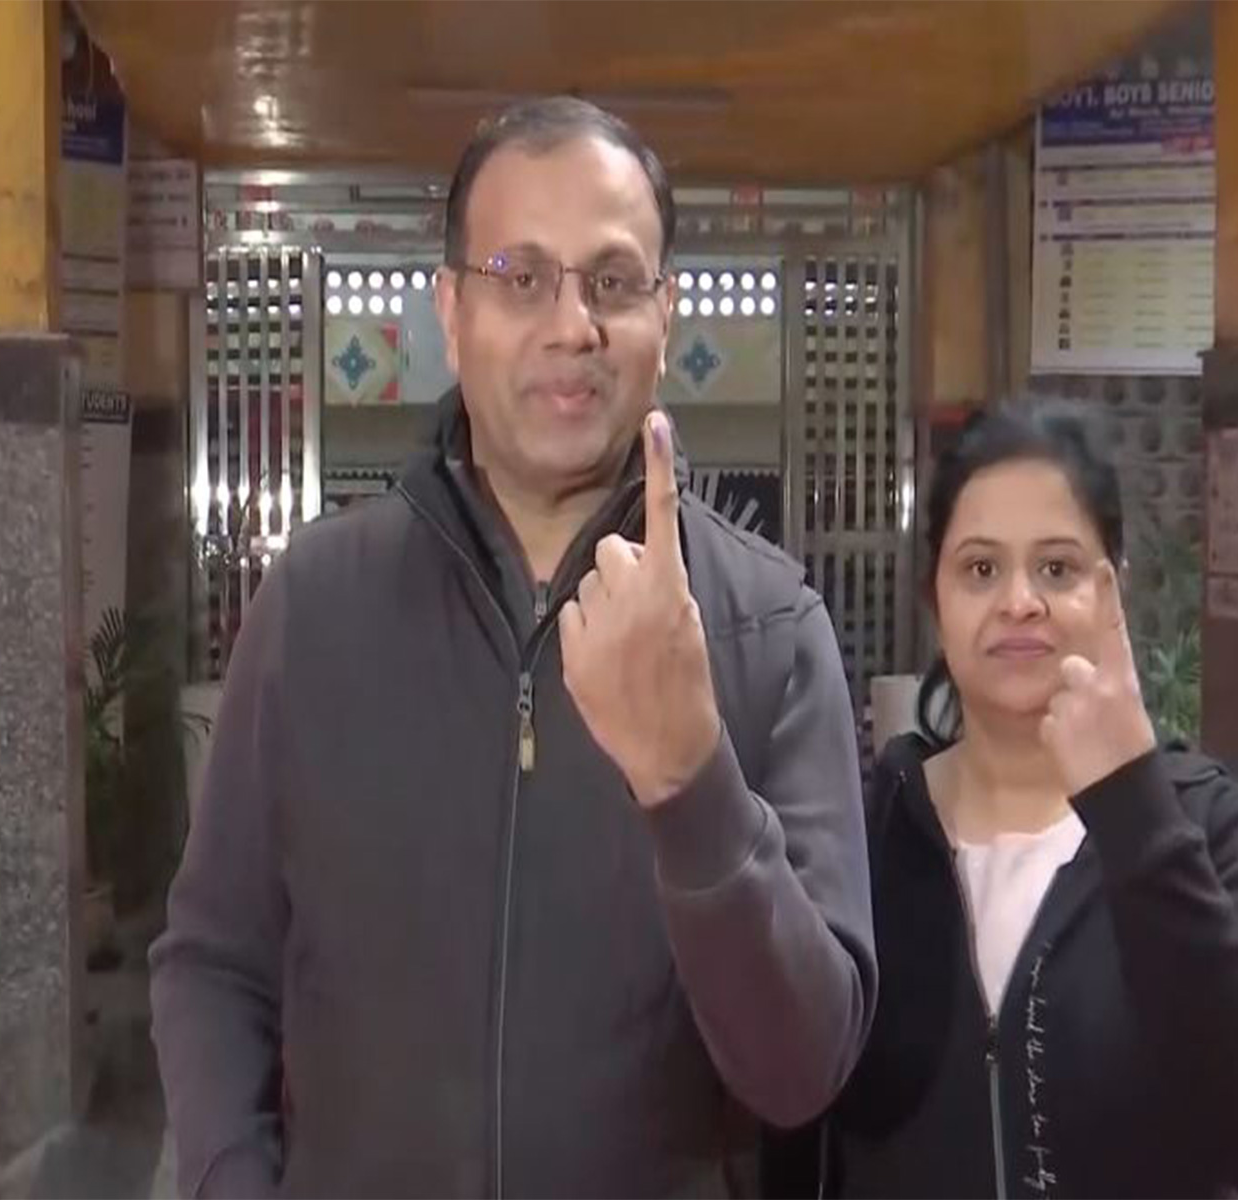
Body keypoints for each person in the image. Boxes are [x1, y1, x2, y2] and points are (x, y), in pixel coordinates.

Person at [148, 95, 877, 1198]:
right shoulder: (317, 604)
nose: (570, 324)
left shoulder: (767, 628)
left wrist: (691, 783)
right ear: (451, 312)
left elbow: (801, 1070)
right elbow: (213, 960)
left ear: (664, 319)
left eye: (613, 280)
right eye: (520, 276)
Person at [764, 402, 1238, 1198]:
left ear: (1112, 591)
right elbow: (792, 1123)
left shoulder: (1210, 828)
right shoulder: (865, 836)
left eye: (1056, 569)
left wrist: (1132, 808)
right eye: (981, 569)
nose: (1019, 601)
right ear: (937, 600)